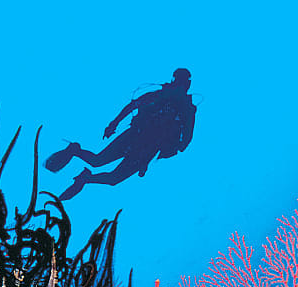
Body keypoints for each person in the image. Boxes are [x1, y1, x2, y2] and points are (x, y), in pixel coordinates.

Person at [45, 68, 196, 200]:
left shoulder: (162, 96)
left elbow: (132, 105)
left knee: (100, 164)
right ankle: (84, 176)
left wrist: (114, 123)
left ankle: (77, 157)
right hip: (144, 146)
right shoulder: (186, 108)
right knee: (111, 175)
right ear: (188, 84)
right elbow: (185, 143)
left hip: (135, 138)